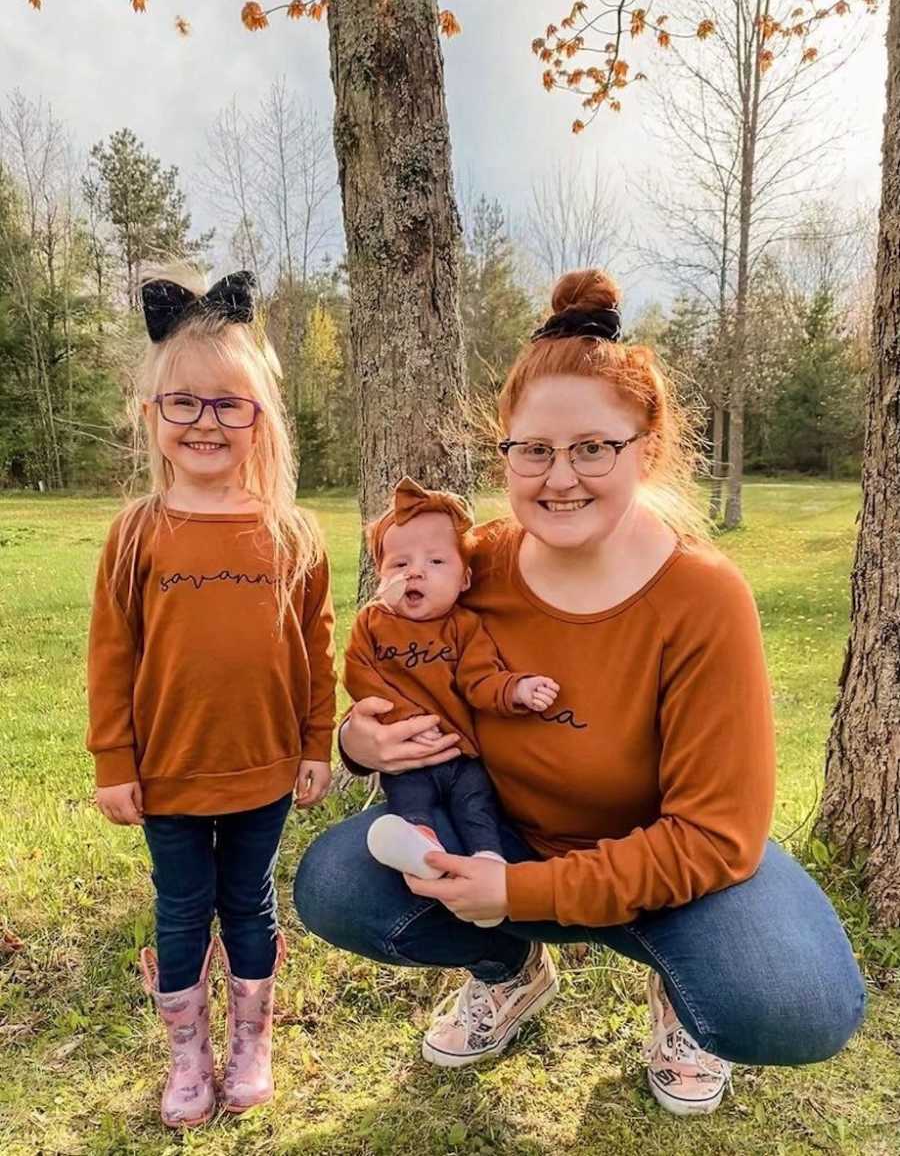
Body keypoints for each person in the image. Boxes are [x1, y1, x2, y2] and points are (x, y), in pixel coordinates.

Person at [294, 268, 865, 1117]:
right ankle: (509, 968)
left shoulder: (703, 597)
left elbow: (713, 836)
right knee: (337, 879)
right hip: (506, 835)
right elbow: (391, 666)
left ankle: (681, 987)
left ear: (648, 445)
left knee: (793, 1002)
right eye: (534, 450)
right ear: (508, 453)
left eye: (593, 447)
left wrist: (516, 895)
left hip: (674, 868)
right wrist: (357, 740)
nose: (560, 478)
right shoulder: (471, 566)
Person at [86, 267, 337, 1128]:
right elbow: (112, 656)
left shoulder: (291, 532)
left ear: (259, 418)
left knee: (251, 899)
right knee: (183, 903)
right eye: (183, 404)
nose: (205, 422)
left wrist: (314, 745)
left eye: (228, 404)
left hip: (264, 768)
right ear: (151, 416)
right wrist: (114, 760)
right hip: (169, 772)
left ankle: (250, 1039)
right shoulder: (135, 534)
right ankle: (187, 1051)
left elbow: (317, 652)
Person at [344, 475, 559, 926]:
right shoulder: (373, 624)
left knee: (476, 805)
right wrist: (392, 721)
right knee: (409, 801)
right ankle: (420, 846)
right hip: (410, 758)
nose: (414, 572)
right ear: (380, 577)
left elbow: (481, 680)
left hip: (462, 754)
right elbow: (360, 673)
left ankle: (489, 861)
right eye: (398, 563)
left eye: (435, 561)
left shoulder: (464, 627)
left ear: (464, 579)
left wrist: (516, 690)